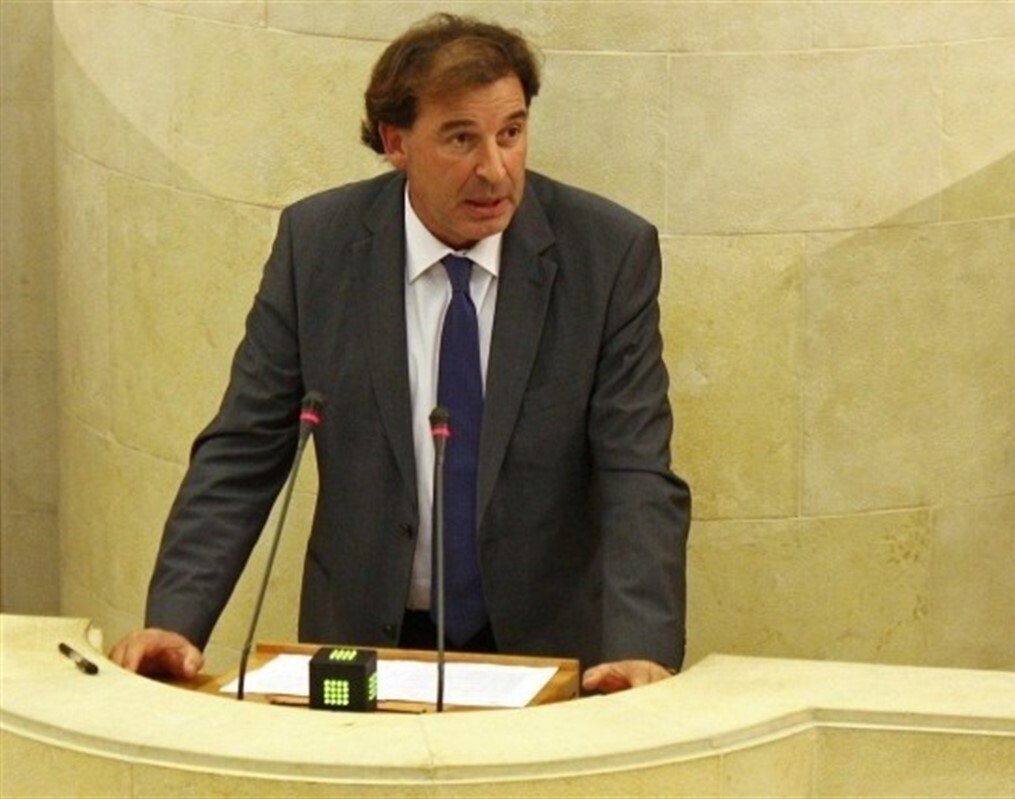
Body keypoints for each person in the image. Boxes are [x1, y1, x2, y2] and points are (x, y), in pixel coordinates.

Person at [109, 13, 690, 694]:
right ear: (396, 142)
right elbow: (243, 451)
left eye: (511, 132)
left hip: (549, 650)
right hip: (362, 643)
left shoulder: (607, 255)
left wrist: (640, 649)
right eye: (461, 139)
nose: (495, 169)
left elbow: (636, 473)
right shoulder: (317, 247)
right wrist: (176, 621)